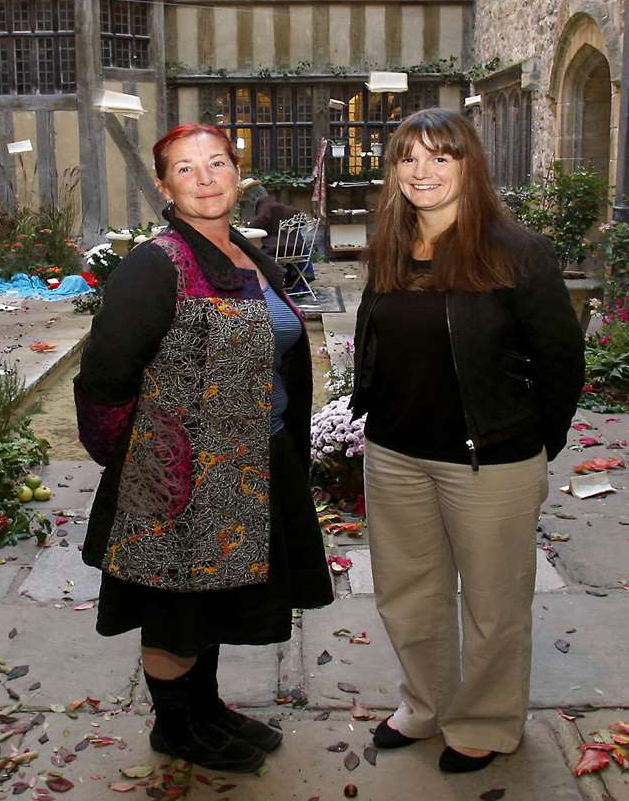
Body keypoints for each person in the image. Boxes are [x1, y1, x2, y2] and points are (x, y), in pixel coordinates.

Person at [74, 124, 333, 773]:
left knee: (209, 604)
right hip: (181, 476)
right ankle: (174, 727)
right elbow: (103, 380)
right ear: (164, 187)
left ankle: (206, 710)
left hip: (251, 463)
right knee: (173, 612)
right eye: (186, 170)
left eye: (217, 162)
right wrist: (143, 464)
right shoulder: (154, 266)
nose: (206, 177)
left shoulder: (247, 254)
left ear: (236, 172)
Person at [349, 107, 585, 773]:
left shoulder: (518, 251)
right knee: (407, 592)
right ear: (393, 171)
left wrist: (533, 442)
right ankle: (426, 704)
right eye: (408, 158)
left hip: (489, 461)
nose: (422, 171)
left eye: (440, 156)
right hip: (395, 453)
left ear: (469, 165)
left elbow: (561, 360)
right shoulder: (391, 242)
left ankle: (484, 720)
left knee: (493, 603)